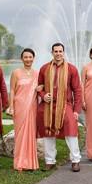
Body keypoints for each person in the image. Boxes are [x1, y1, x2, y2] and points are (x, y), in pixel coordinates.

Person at [37, 43, 83, 172]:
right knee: (48, 132)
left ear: (64, 52)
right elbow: (39, 86)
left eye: (60, 51)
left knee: (71, 131)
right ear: (52, 53)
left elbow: (77, 90)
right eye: (55, 51)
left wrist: (76, 110)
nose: (58, 53)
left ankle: (75, 160)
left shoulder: (71, 69)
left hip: (65, 104)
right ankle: (50, 161)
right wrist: (43, 95)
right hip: (48, 105)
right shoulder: (44, 68)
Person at [8, 48, 39, 172]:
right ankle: (19, 162)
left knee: (31, 133)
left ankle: (31, 162)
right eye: (25, 57)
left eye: (30, 57)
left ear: (33, 58)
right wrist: (11, 106)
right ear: (22, 59)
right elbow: (12, 90)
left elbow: (40, 89)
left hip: (32, 106)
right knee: (20, 134)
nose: (28, 59)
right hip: (19, 105)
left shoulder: (37, 73)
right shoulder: (16, 72)